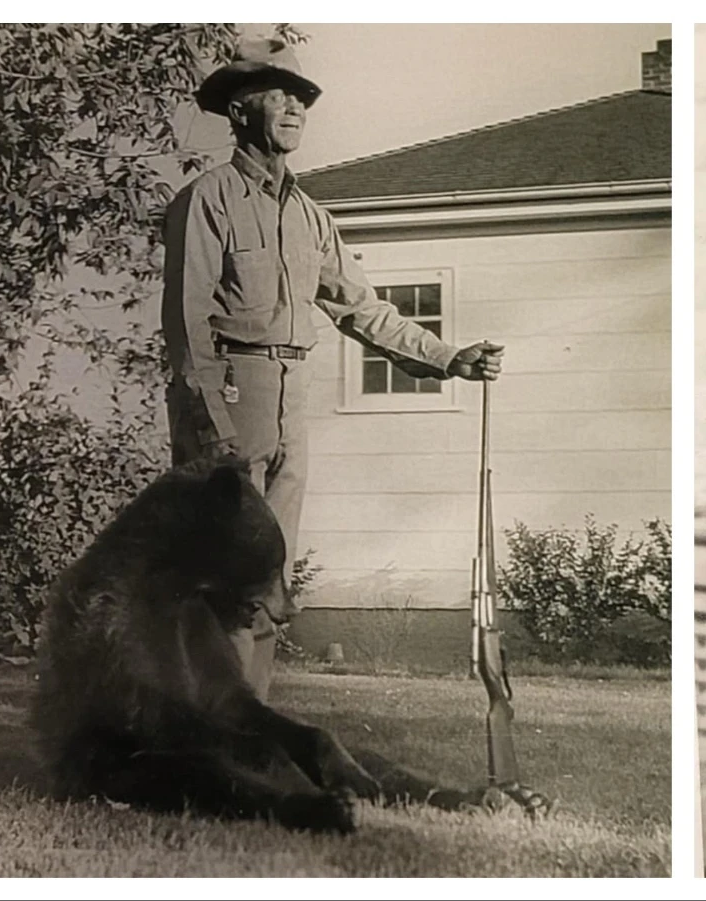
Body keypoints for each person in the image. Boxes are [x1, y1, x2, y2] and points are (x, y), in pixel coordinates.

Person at [161, 38, 504, 701]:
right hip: (233, 394)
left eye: (301, 99)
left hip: (294, 399)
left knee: (268, 578)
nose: (294, 109)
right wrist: (213, 425)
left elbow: (362, 308)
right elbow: (185, 321)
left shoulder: (310, 215)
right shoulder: (207, 200)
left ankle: (247, 730)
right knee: (223, 574)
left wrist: (448, 358)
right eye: (278, 95)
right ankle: (202, 737)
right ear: (239, 111)